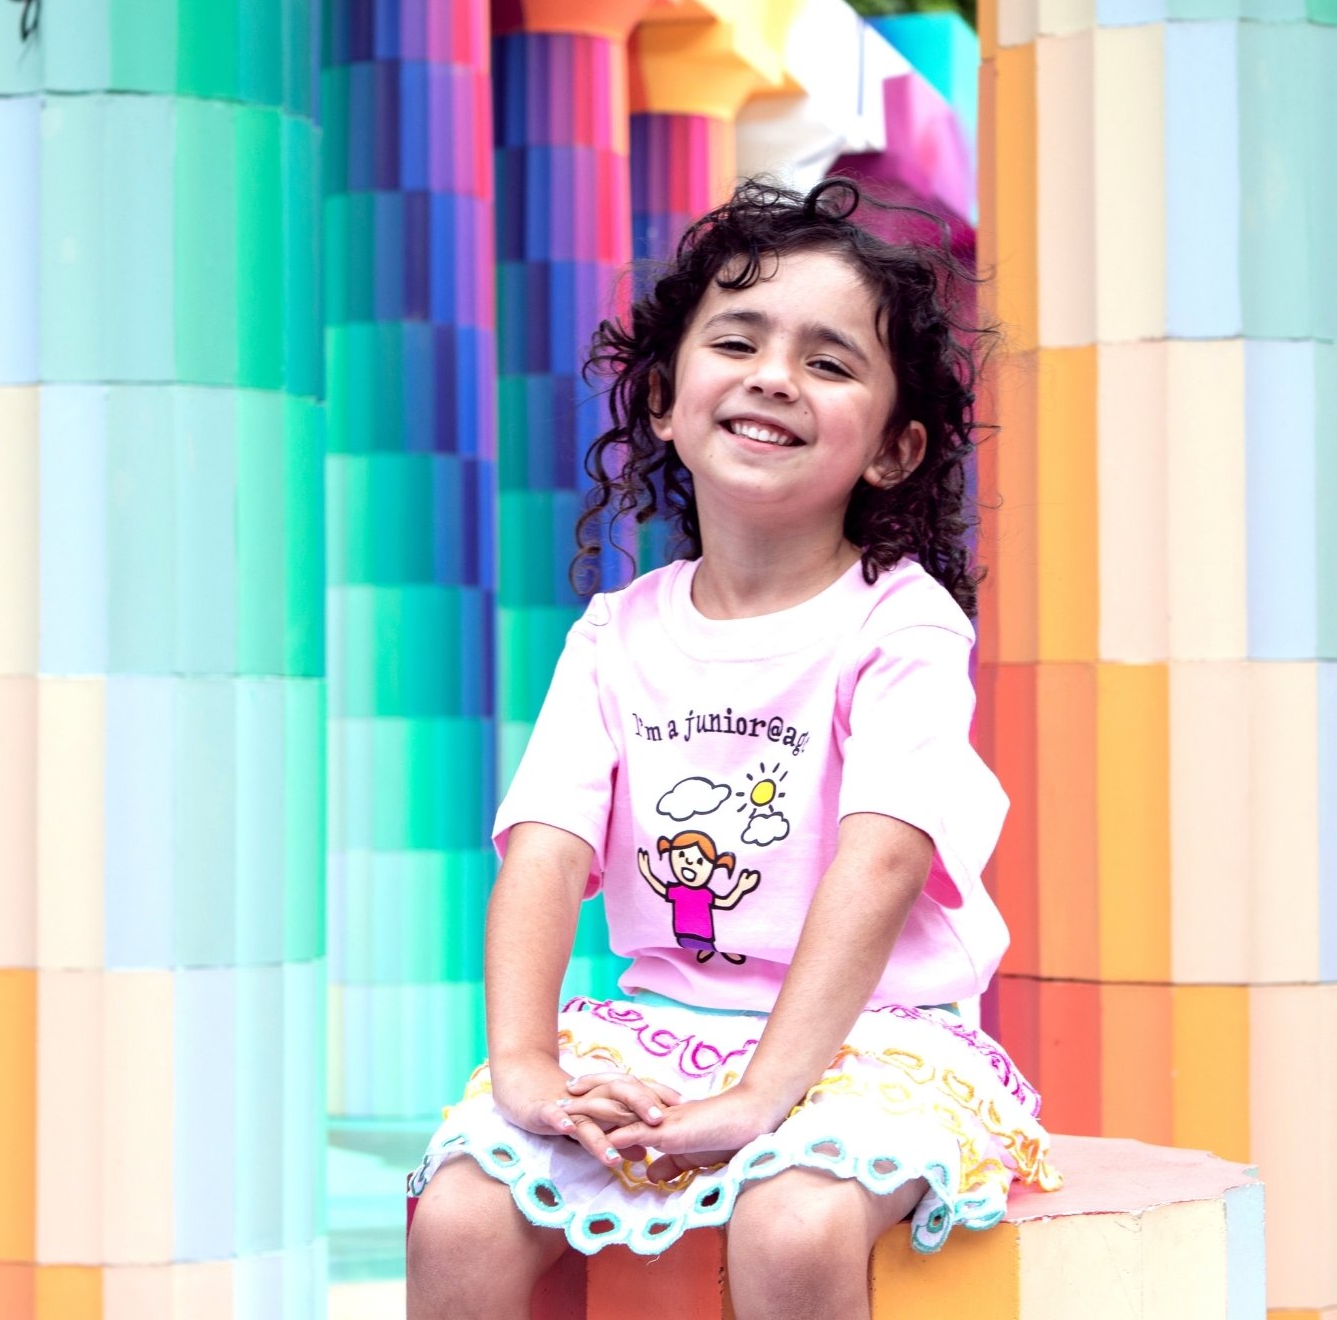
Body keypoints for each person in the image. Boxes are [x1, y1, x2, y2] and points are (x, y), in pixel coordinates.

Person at [406, 179, 1059, 1320]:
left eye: (829, 360)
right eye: (738, 340)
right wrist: (526, 1070)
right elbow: (547, 853)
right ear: (662, 398)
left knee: (793, 1224)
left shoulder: (899, 624)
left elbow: (884, 857)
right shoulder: (615, 634)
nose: (772, 375)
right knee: (458, 1213)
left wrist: (767, 1092)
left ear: (896, 450)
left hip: (876, 1040)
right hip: (666, 1028)